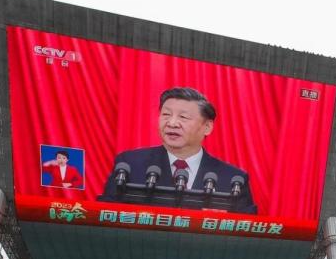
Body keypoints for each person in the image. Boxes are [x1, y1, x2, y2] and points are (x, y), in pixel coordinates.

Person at [100, 87, 257, 214]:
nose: (172, 123)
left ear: (207, 127)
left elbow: (247, 231)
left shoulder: (233, 179)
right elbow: (103, 215)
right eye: (166, 114)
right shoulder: (130, 165)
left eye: (183, 117)